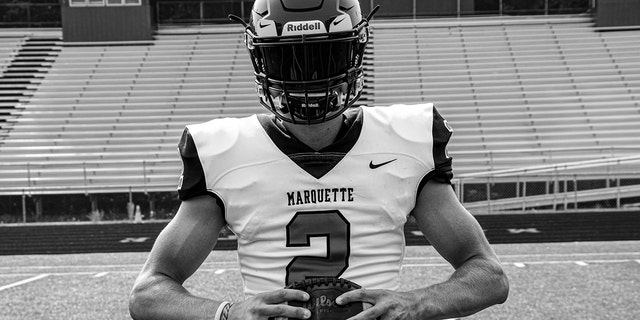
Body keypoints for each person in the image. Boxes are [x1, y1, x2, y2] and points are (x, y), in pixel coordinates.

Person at [128, 0, 509, 319]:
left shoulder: (406, 139)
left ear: (355, 52)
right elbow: (147, 293)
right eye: (288, 59)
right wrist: (227, 313)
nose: (307, 76)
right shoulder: (224, 149)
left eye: (325, 55)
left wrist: (419, 303)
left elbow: (489, 276)